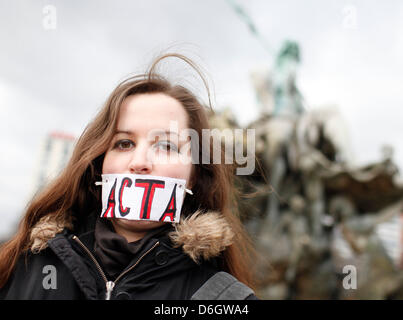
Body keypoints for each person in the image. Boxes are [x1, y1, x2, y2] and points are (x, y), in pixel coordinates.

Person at [0, 53, 258, 300]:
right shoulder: (23, 265)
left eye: (166, 146)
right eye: (124, 143)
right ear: (99, 164)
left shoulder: (226, 298)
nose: (139, 163)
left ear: (193, 176)